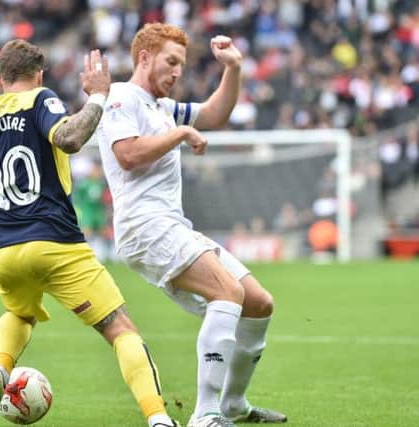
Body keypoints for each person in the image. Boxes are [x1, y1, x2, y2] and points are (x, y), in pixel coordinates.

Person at [0, 39, 179, 427]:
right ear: (38, 75)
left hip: (4, 253)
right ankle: (158, 419)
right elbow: (69, 138)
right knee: (120, 328)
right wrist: (99, 97)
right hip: (53, 241)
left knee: (19, 313)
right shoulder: (41, 100)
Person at [94, 23, 287, 427]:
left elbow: (215, 113)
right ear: (144, 57)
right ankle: (205, 414)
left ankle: (234, 404)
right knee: (227, 292)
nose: (178, 72)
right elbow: (128, 155)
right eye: (171, 61)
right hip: (143, 227)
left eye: (181, 64)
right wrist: (181, 133)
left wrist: (232, 68)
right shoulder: (120, 98)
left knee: (257, 302)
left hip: (173, 224)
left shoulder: (163, 107)